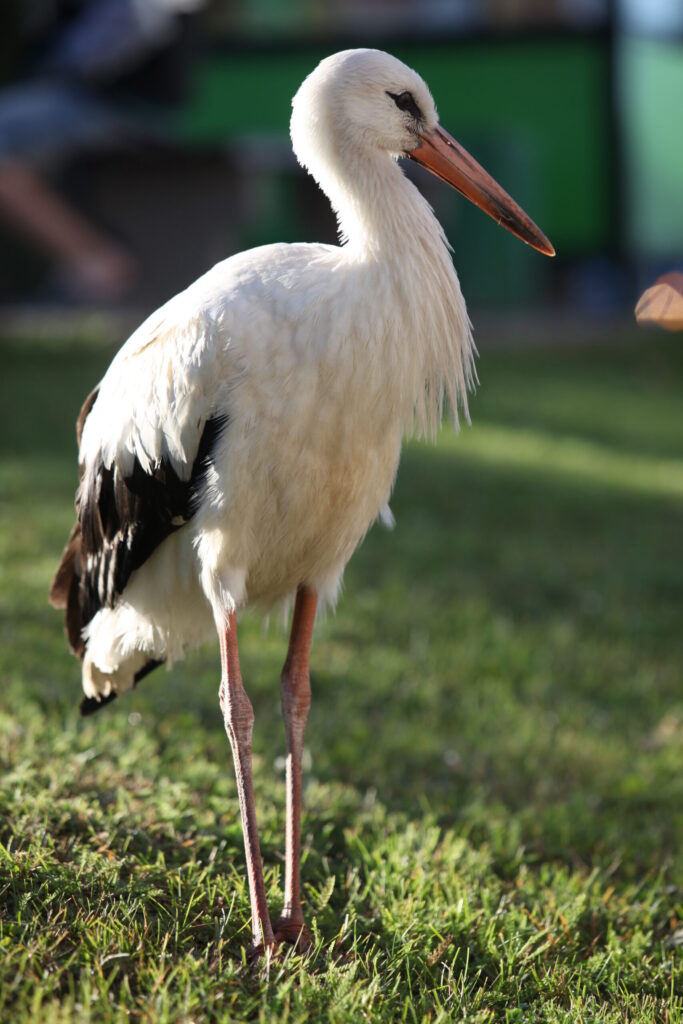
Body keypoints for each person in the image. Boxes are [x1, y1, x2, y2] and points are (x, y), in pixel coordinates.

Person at [0, 0, 203, 303]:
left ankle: (96, 261)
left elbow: (139, 23)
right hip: (89, 98)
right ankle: (86, 262)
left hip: (123, 106)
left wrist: (58, 67)